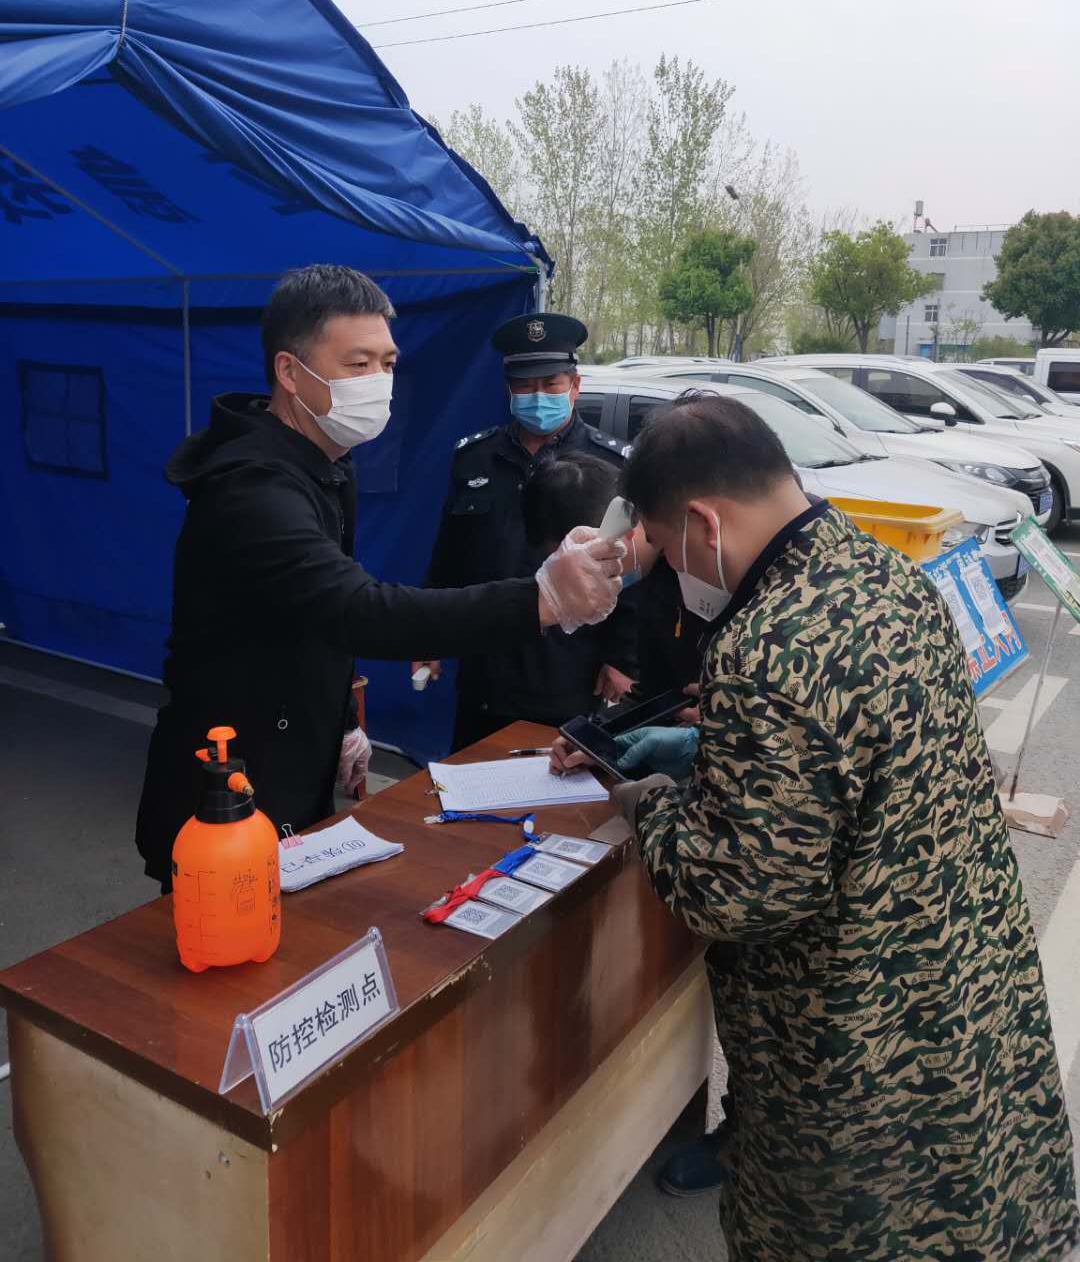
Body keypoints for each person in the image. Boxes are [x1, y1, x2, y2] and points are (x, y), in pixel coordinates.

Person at [554, 393, 1079, 1261]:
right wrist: (713, 748)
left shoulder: (765, 644)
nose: (675, 572)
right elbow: (861, 751)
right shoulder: (885, 574)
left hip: (858, 1030)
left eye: (667, 548)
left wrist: (649, 802)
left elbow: (736, 893)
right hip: (966, 970)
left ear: (702, 523)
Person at [136, 265, 623, 887]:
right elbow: (353, 608)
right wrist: (543, 598)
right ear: (290, 372)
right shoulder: (252, 488)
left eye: (388, 364)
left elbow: (310, 614)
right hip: (226, 787)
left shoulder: (324, 465)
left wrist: (340, 719)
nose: (378, 382)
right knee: (225, 934)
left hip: (290, 764)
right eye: (358, 364)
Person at [417, 313, 638, 750]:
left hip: (569, 666)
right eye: (524, 385)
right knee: (471, 778)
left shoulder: (609, 465)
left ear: (574, 386)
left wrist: (623, 658)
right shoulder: (475, 457)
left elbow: (630, 570)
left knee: (560, 779)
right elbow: (450, 556)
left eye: (550, 384)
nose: (538, 396)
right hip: (487, 664)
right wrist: (430, 635)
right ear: (508, 390)